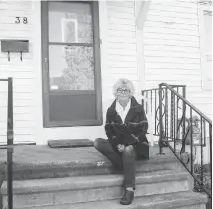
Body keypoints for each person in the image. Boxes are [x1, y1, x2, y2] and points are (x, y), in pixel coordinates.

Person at [94, 78, 149, 205]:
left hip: (136, 144)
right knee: (98, 142)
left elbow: (142, 129)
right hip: (118, 144)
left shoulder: (138, 108)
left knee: (128, 149)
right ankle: (125, 164)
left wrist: (126, 144)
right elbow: (109, 130)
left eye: (126, 90)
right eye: (120, 90)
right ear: (116, 92)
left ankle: (129, 189)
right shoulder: (111, 110)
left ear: (130, 93)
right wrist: (117, 144)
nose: (123, 92)